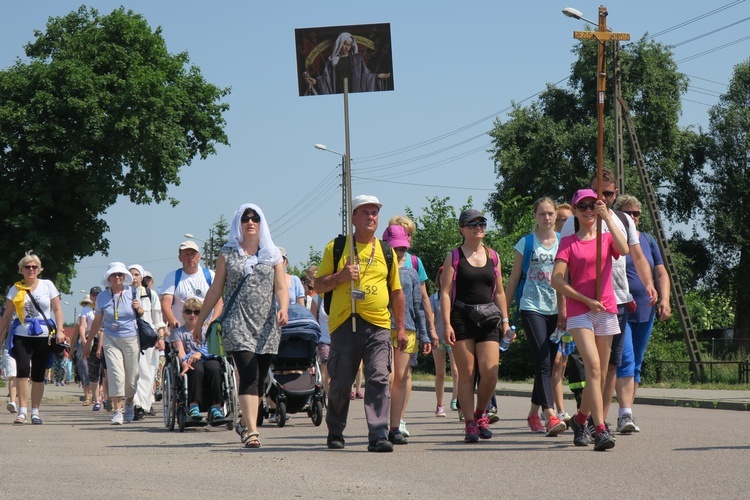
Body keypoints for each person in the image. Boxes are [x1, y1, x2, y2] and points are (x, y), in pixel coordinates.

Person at [559, 169, 657, 428]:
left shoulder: (621, 221)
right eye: (589, 200)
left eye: (606, 194)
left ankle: (588, 417)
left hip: (616, 299)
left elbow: (630, 252)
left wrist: (648, 283)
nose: (597, 202)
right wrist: (563, 308)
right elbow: (561, 272)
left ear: (614, 194)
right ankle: (597, 423)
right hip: (582, 305)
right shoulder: (572, 227)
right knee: (593, 366)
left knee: (607, 368)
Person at [192, 203, 288, 449]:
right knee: (248, 374)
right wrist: (201, 320)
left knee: (260, 377)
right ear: (239, 223)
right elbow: (216, 289)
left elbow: (280, 287)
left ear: (261, 222)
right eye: (245, 218)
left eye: (255, 218)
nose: (250, 222)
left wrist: (284, 308)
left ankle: (247, 423)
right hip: (237, 323)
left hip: (266, 325)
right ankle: (253, 432)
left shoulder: (273, 254)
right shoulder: (227, 253)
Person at [315, 194, 404, 453]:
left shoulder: (386, 250)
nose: (370, 217)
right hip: (345, 323)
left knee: (378, 376)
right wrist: (341, 277)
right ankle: (335, 431)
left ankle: (378, 433)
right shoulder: (337, 247)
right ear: (353, 218)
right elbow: (318, 285)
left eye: (374, 212)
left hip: (378, 324)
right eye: (364, 212)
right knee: (341, 381)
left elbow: (396, 291)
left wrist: (399, 327)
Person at [552, 189, 629, 451]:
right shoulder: (568, 243)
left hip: (606, 308)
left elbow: (624, 249)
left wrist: (607, 217)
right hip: (580, 311)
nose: (587, 211)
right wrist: (585, 300)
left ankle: (581, 418)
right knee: (593, 367)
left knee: (600, 372)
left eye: (591, 206)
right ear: (574, 211)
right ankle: (601, 428)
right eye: (582, 206)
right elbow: (557, 280)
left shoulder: (606, 238)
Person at [440, 209, 512, 443]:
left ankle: (481, 414)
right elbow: (445, 292)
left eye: (482, 223)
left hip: (489, 317)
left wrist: (506, 322)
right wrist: (447, 323)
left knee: (491, 371)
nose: (478, 227)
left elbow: (499, 292)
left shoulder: (494, 256)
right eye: (472, 224)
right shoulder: (454, 256)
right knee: (467, 373)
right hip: (462, 317)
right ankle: (470, 423)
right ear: (462, 229)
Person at [505, 197, 567, 436]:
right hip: (531, 306)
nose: (547, 218)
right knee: (542, 360)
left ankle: (532, 413)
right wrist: (503, 313)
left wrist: (565, 309)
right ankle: (549, 415)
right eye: (542, 214)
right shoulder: (526, 243)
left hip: (556, 308)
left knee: (550, 364)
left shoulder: (564, 242)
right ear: (535, 217)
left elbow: (566, 280)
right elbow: (513, 279)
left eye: (551, 213)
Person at [614, 195, 671, 433]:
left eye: (637, 213)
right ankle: (624, 413)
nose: (634, 217)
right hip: (621, 309)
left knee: (636, 363)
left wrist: (665, 300)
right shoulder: (614, 239)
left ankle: (628, 413)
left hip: (646, 310)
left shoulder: (647, 240)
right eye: (628, 213)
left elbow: (661, 273)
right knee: (625, 360)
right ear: (618, 215)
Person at [0, 252, 66, 425]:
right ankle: (22, 411)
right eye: (27, 267)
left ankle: (35, 411)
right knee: (22, 370)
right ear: (21, 270)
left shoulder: (47, 285)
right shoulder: (15, 288)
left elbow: (57, 309)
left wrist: (60, 330)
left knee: (38, 373)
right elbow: (6, 316)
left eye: (34, 267)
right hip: (22, 334)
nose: (31, 269)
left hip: (44, 334)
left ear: (39, 269)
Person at [382, 225, 431, 445]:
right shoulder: (378, 270)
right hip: (382, 328)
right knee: (386, 377)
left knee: (400, 378)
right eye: (394, 248)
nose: (399, 253)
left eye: (402, 249)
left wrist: (426, 334)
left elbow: (418, 306)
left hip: (408, 329)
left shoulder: (411, 272)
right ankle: (380, 424)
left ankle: (395, 426)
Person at [84, 263, 141, 425]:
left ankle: (129, 403)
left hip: (131, 338)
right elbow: (96, 322)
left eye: (121, 275)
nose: (118, 277)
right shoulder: (102, 297)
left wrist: (140, 309)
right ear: (109, 278)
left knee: (131, 378)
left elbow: (141, 315)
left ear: (124, 277)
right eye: (114, 275)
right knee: (116, 374)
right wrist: (89, 343)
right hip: (110, 338)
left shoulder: (133, 292)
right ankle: (117, 410)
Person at [172, 297, 225, 422]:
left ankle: (216, 407)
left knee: (215, 368)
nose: (192, 315)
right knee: (196, 369)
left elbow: (214, 347)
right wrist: (184, 363)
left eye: (197, 312)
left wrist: (199, 353)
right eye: (189, 311)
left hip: (208, 357)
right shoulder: (178, 332)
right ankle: (193, 406)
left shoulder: (208, 329)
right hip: (190, 360)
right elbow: (179, 350)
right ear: (183, 313)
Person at [129, 264, 167, 420]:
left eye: (137, 274)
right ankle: (135, 404)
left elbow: (158, 320)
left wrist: (161, 338)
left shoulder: (150, 295)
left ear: (142, 277)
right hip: (129, 337)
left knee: (147, 372)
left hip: (148, 338)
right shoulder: (123, 294)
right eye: (131, 274)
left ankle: (142, 405)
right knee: (133, 372)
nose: (134, 277)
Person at [160, 241, 223, 332]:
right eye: (186, 254)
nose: (190, 257)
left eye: (193, 254)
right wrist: (173, 320)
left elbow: (219, 301)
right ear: (180, 258)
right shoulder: (172, 277)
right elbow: (166, 303)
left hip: (205, 331)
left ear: (198, 256)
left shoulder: (210, 275)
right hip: (181, 333)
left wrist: (213, 321)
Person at [303, 32, 391, 94]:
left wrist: (377, 76)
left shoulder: (357, 59)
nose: (346, 47)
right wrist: (314, 81)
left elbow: (365, 76)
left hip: (354, 92)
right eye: (345, 44)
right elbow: (326, 79)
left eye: (349, 45)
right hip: (338, 93)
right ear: (340, 43)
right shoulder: (332, 60)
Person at [430, 267, 458, 416]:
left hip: (453, 339)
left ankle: (455, 399)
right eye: (442, 277)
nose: (444, 279)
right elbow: (431, 318)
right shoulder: (433, 298)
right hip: (438, 339)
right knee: (440, 373)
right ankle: (439, 404)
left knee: (456, 371)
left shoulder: (455, 297)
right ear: (439, 279)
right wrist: (431, 334)